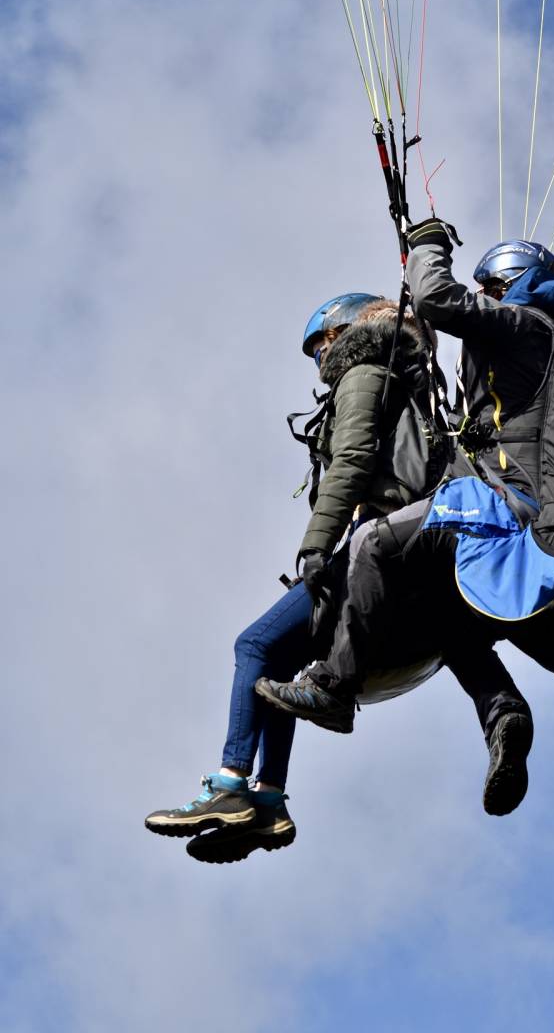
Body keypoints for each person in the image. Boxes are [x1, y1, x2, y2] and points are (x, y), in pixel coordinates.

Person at [256, 221, 554, 786]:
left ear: (510, 284)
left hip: (510, 502)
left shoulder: (523, 325)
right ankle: (503, 714)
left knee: (375, 540)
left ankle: (332, 687)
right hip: (531, 500)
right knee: (445, 595)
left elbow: (437, 299)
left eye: (489, 288)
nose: (484, 298)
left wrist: (427, 244)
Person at [144, 292, 460, 863]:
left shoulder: (364, 370)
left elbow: (355, 458)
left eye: (321, 345)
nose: (318, 359)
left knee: (255, 644)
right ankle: (268, 802)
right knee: (283, 661)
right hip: (408, 539)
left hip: (373, 535)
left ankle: (230, 784)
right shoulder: (412, 378)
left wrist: (316, 544)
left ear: (343, 333)